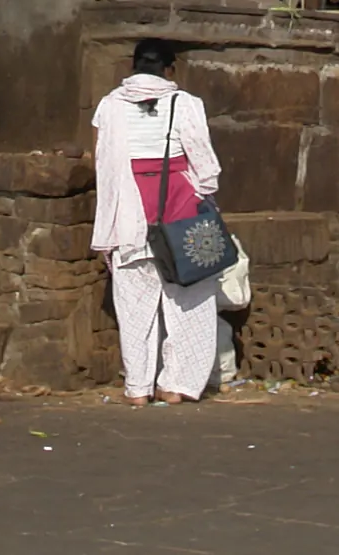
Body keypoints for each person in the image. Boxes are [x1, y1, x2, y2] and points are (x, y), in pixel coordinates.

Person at [90, 37, 226, 403]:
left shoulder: (109, 106)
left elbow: (102, 164)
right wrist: (201, 190)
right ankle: (176, 386)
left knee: (134, 308)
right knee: (190, 302)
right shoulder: (186, 104)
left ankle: (137, 388)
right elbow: (206, 166)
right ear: (170, 70)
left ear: (133, 68)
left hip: (127, 217)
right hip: (180, 214)